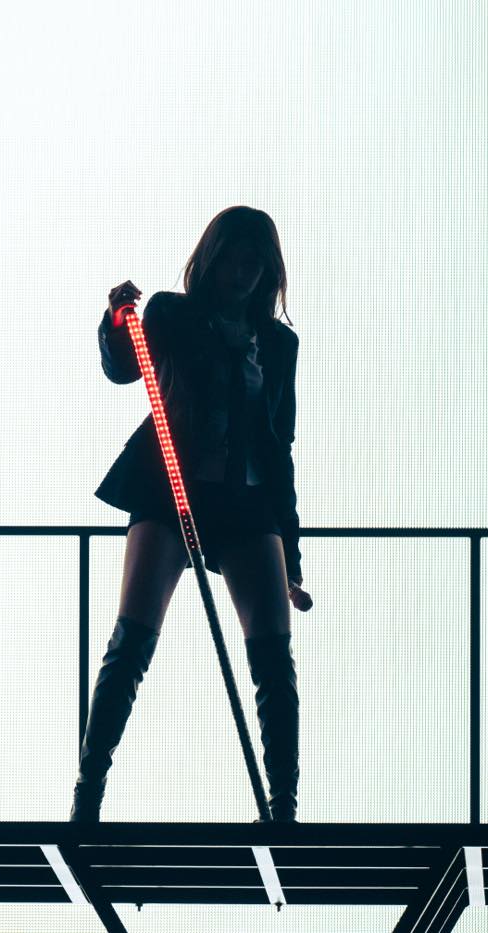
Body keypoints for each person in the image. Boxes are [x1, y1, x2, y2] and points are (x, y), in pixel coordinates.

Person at [72, 206, 309, 822]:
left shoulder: (278, 344)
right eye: (234, 257)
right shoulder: (172, 314)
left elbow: (279, 447)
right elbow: (125, 369)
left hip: (245, 502)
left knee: (274, 658)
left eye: (256, 261)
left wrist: (291, 554)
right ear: (212, 257)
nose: (243, 272)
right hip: (169, 490)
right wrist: (115, 322)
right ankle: (88, 793)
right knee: (131, 642)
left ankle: (284, 808)